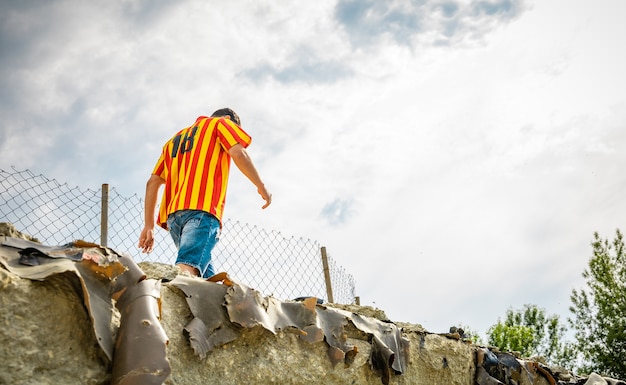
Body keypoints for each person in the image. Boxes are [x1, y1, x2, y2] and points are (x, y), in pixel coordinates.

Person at [138, 108, 271, 279]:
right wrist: (261, 186)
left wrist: (148, 225)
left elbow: (152, 182)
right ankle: (164, 298)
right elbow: (238, 152)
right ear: (228, 118)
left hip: (174, 218)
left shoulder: (173, 141)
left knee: (205, 277)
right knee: (187, 267)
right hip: (202, 210)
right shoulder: (220, 123)